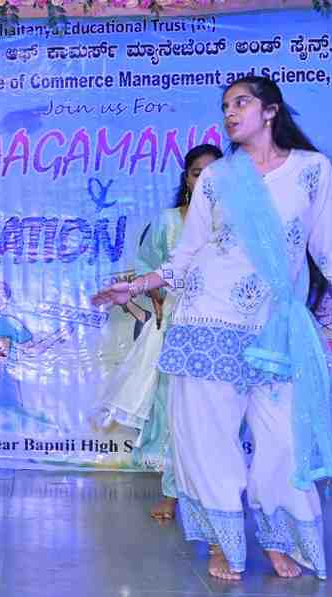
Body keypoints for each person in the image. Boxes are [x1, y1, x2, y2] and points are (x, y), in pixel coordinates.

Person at [91, 77, 332, 581]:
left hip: (274, 327)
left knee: (284, 441)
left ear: (271, 111)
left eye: (241, 103)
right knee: (209, 440)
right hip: (207, 321)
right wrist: (137, 285)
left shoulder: (312, 169)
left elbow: (331, 251)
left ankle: (280, 538)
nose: (230, 113)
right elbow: (186, 255)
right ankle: (223, 543)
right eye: (225, 106)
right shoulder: (218, 177)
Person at [97, 144, 223, 522]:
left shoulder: (237, 224)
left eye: (215, 174)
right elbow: (147, 265)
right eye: (198, 173)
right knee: (173, 413)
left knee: (215, 416)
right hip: (177, 329)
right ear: (187, 179)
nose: (206, 181)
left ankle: (216, 498)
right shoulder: (170, 222)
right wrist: (156, 295)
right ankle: (171, 492)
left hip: (223, 331)